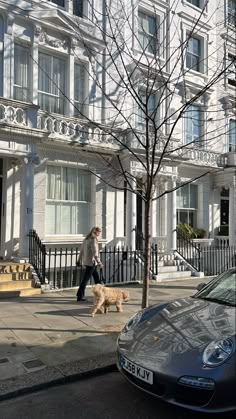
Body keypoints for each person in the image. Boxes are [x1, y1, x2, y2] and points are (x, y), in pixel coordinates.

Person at [76, 226, 103, 301]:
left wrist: (78, 260)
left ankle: (101, 293)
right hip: (92, 262)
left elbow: (81, 251)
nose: (99, 234)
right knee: (85, 279)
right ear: (95, 232)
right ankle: (80, 296)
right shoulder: (93, 239)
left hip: (87, 262)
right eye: (99, 232)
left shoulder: (86, 239)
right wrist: (99, 263)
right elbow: (95, 253)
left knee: (97, 279)